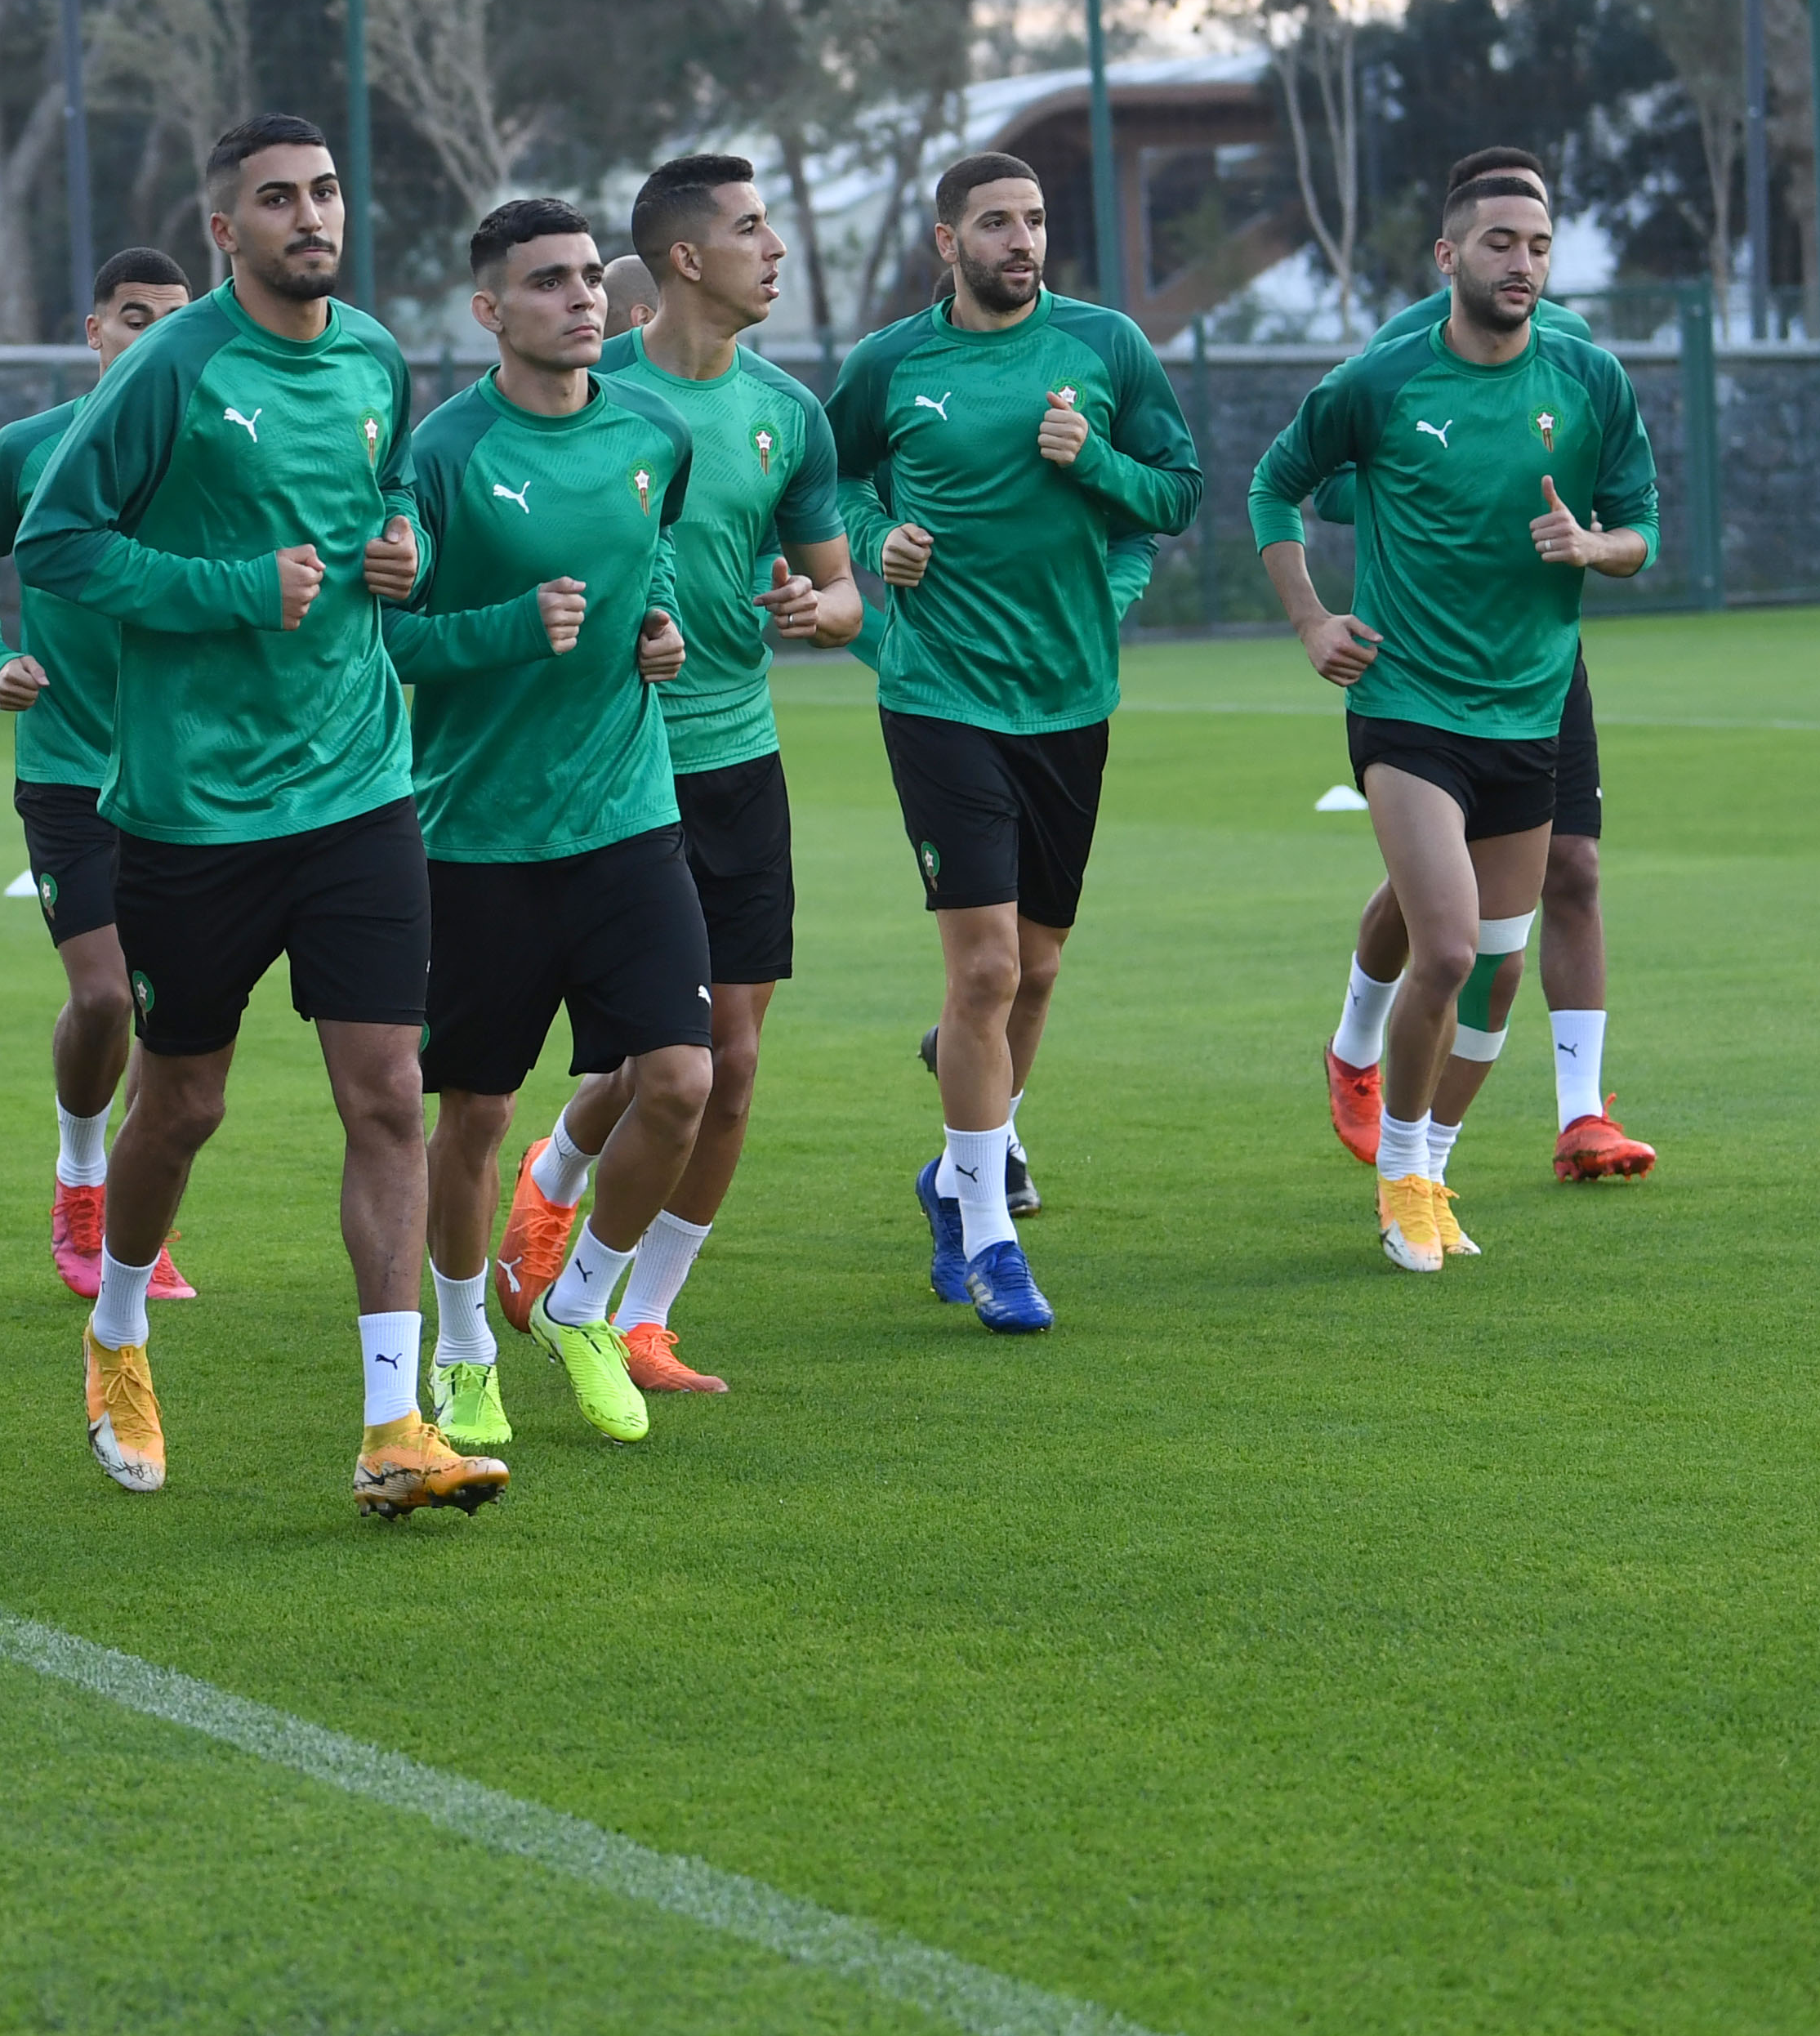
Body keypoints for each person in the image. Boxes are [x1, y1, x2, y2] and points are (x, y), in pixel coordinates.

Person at [14, 115, 504, 1522]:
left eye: (328, 192)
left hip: (359, 788)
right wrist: (231, 587)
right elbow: (57, 541)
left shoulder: (371, 353)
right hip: (192, 814)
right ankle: (116, 1328)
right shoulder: (174, 366)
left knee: (390, 1098)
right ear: (226, 231)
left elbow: (387, 484)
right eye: (278, 200)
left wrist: (401, 535)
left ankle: (393, 1425)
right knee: (184, 1106)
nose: (311, 216)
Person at [495, 156, 861, 1390]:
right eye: (754, 229)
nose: (777, 249)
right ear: (688, 260)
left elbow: (845, 590)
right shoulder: (595, 403)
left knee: (730, 1068)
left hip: (740, 765)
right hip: (619, 775)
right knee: (659, 1065)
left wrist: (822, 603)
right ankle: (551, 1190)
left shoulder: (789, 414)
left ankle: (632, 1313)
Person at [1248, 171, 1658, 1270]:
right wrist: (1310, 620)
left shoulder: (1588, 375)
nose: (1520, 265)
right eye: (1497, 245)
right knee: (1443, 944)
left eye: (1538, 245)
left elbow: (1642, 527)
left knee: (1500, 969)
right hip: (1406, 703)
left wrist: (1596, 548)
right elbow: (1275, 482)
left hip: (1529, 708)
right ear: (1446, 257)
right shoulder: (1385, 376)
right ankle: (1395, 1181)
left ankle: (1431, 1169)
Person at [822, 153, 1202, 1335]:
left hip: (1070, 698)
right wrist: (876, 536)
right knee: (982, 971)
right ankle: (990, 1240)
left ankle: (955, 1173)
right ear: (949, 244)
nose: (1022, 240)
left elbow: (1180, 492)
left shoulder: (1107, 348)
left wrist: (1091, 463)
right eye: (996, 223)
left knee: (1034, 974)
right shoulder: (890, 362)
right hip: (937, 693)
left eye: (1034, 221)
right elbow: (828, 478)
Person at [392, 201, 703, 1452]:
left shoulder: (653, 433)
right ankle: (463, 1348)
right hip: (477, 836)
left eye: (588, 279)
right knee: (473, 1117)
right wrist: (509, 629)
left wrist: (660, 626)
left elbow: (652, 555)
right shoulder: (441, 453)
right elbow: (384, 637)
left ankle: (581, 1305)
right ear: (489, 312)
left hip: (630, 812)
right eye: (547, 284)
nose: (582, 301)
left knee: (681, 1080)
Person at [0, 245, 199, 1300]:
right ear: (94, 331)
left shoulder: (217, 458)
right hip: (67, 767)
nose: (156, 337)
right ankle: (80, 1185)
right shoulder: (29, 450)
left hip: (190, 774)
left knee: (173, 1015)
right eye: (136, 316)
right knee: (102, 998)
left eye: (179, 319)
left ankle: (134, 1225)